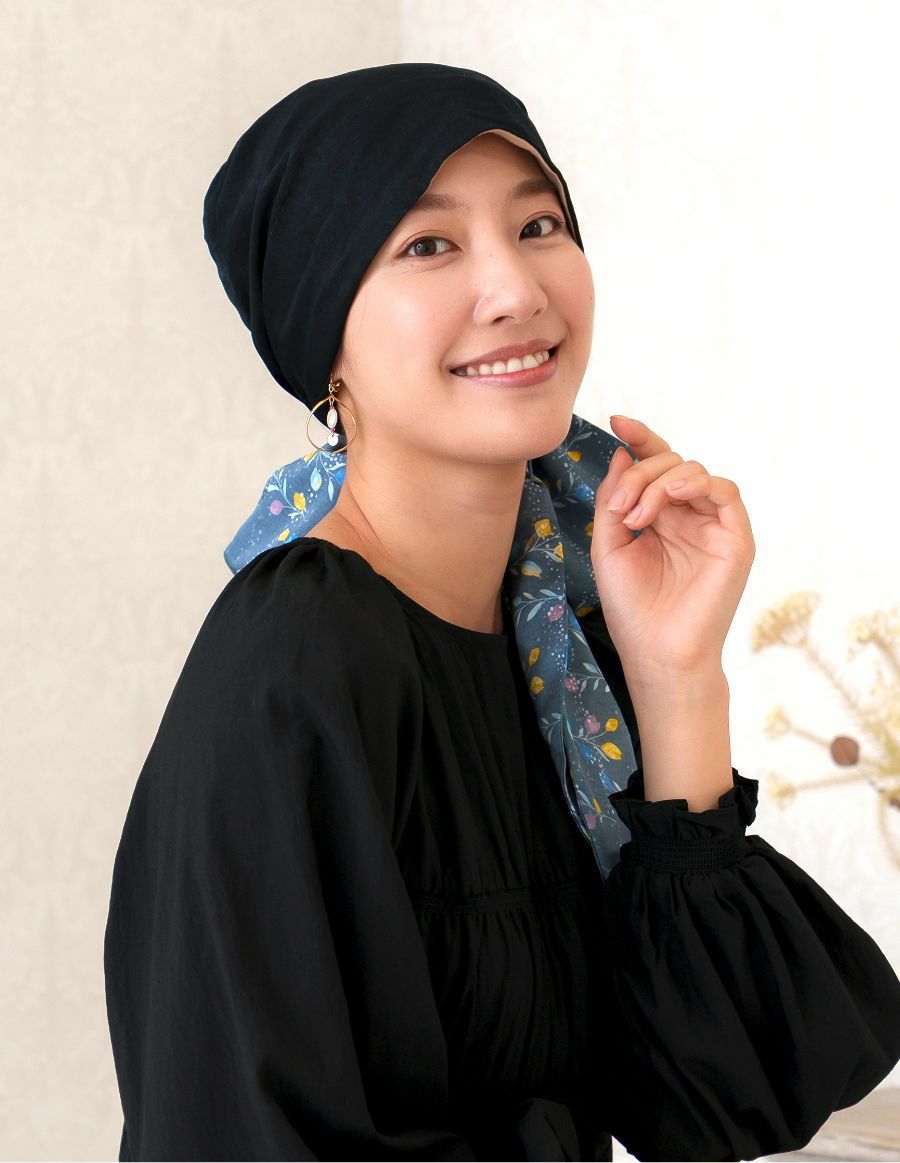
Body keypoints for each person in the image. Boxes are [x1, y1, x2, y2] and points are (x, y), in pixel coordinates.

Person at [103, 63, 900, 1162]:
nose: (517, 289)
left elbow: (709, 1102)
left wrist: (676, 676)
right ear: (323, 334)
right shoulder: (301, 657)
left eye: (538, 225)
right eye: (428, 244)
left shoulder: (556, 648)